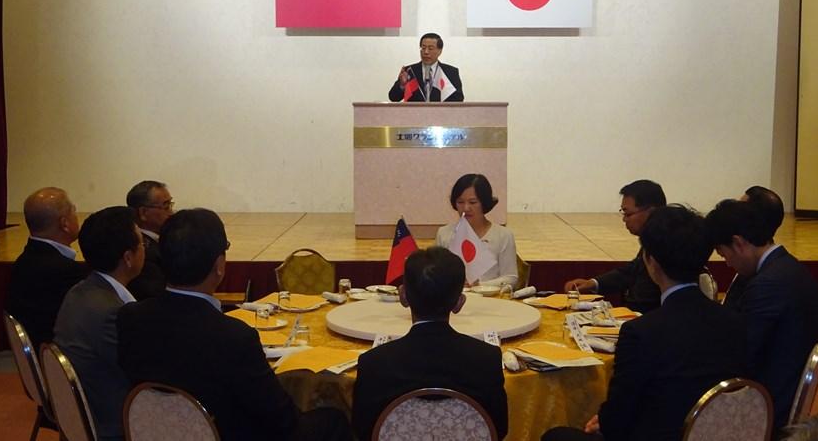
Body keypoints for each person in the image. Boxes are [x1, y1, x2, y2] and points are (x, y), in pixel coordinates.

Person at [117, 208, 351, 441]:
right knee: (334, 420)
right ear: (219, 265)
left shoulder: (130, 318)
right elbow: (283, 421)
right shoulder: (234, 338)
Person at [542, 205, 746, 441]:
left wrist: (605, 420)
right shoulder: (734, 321)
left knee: (556, 436)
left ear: (651, 262)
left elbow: (617, 420)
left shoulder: (641, 332)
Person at [352, 246, 508, 441]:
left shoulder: (374, 363)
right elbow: (498, 429)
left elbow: (362, 430)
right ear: (459, 303)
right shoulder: (486, 359)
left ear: (403, 296)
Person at [706, 197, 818, 430]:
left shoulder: (767, 284)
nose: (726, 263)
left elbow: (743, 355)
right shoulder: (790, 268)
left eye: (723, 254)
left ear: (738, 243)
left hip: (772, 405)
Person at [54, 206, 144, 441]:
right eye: (142, 243)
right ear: (128, 258)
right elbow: (145, 372)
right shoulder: (111, 312)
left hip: (80, 411)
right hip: (111, 422)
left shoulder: (78, 291)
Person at [563, 179, 666, 312]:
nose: (624, 219)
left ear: (651, 212)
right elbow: (632, 270)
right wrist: (593, 283)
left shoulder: (666, 244)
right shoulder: (652, 239)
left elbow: (646, 298)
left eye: (628, 214)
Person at [6, 187, 88, 350]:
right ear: (64, 223)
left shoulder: (24, 261)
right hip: (59, 356)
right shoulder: (65, 271)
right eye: (73, 210)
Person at [435, 173, 518, 288]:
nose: (466, 208)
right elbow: (437, 274)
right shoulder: (444, 234)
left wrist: (479, 285)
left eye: (473, 202)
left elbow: (511, 278)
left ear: (484, 202)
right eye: (460, 202)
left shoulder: (503, 235)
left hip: (490, 296)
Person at [125, 180, 173, 299]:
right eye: (166, 206)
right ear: (143, 213)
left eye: (171, 205)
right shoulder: (141, 251)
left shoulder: (162, 241)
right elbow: (155, 295)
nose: (171, 213)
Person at [388, 33, 464, 102]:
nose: (426, 52)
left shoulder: (451, 72)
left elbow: (459, 99)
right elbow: (393, 98)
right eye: (423, 48)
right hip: (414, 113)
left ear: (440, 51)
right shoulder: (410, 71)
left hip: (440, 112)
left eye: (430, 48)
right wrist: (402, 85)